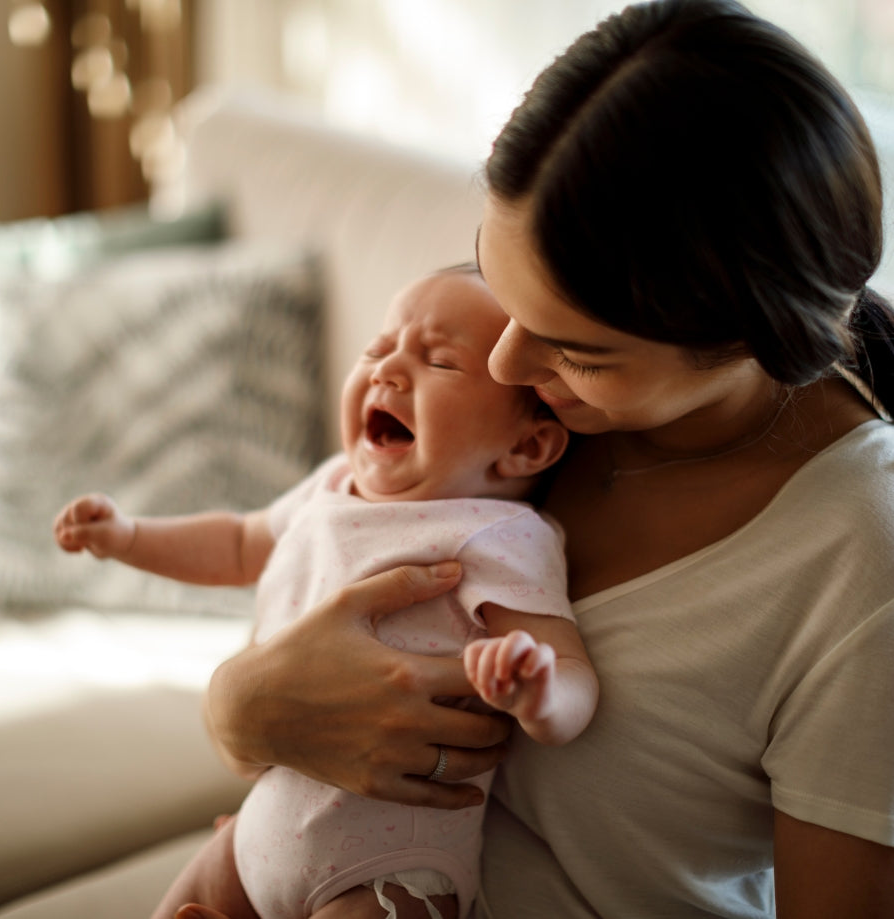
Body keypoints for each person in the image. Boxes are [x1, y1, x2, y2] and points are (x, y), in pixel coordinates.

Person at [188, 1, 894, 917]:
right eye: (501, 290)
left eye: (577, 350)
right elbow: (317, 585)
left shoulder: (859, 565)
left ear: (753, 337)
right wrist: (239, 708)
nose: (501, 363)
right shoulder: (533, 414)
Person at [54, 265, 598, 919]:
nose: (386, 370)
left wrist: (538, 691)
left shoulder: (498, 534)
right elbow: (237, 542)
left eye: (438, 361)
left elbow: (573, 673)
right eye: (378, 348)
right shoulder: (333, 484)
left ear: (527, 446)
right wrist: (129, 536)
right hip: (256, 836)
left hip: (387, 869)